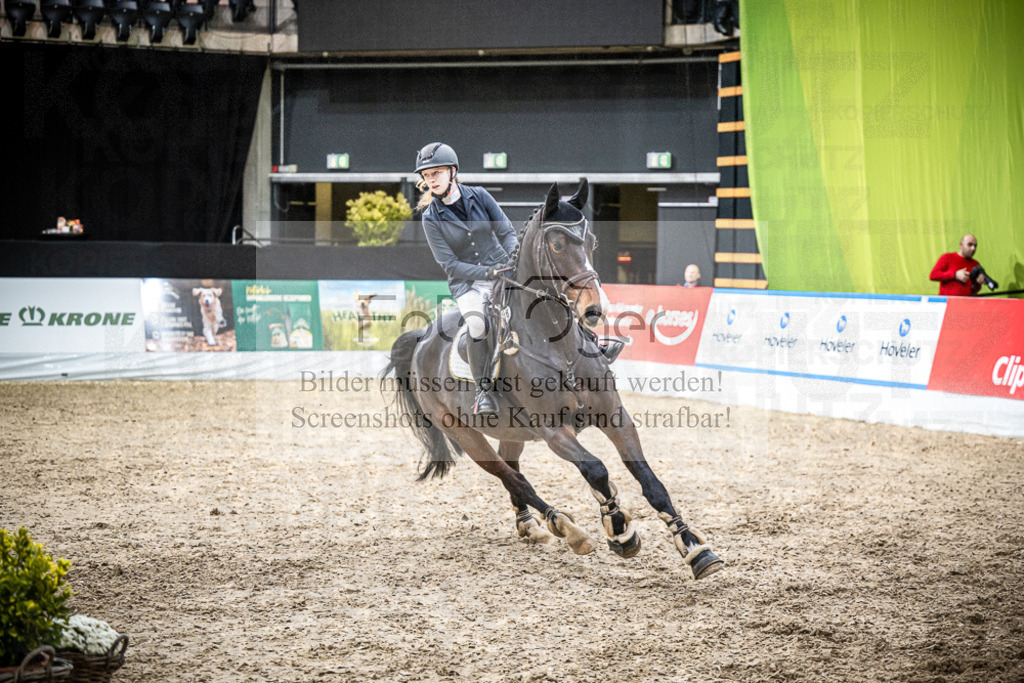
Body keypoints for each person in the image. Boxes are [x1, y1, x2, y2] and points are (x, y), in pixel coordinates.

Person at [416, 142, 518, 416]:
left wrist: (513, 258)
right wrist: (487, 273)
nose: (431, 179)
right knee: (477, 323)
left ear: (452, 171)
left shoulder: (480, 196)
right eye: (427, 175)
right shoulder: (430, 218)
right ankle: (484, 392)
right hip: (467, 284)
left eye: (436, 173)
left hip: (503, 269)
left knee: (538, 295)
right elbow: (450, 264)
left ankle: (591, 346)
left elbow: (507, 232)